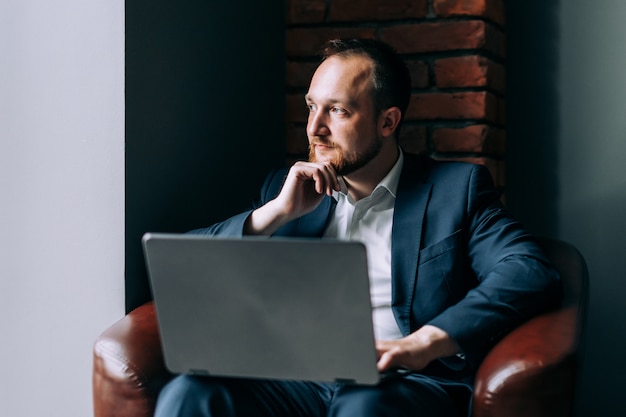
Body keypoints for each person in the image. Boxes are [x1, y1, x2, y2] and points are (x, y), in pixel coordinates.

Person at [154, 38, 561, 417]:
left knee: (362, 406)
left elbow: (528, 270)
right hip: (294, 381)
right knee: (188, 392)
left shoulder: (457, 190)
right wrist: (275, 213)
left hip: (401, 383)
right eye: (312, 106)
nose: (315, 129)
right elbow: (186, 266)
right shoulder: (287, 190)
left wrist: (425, 341)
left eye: (338, 110)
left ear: (388, 121)